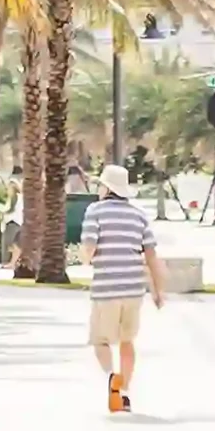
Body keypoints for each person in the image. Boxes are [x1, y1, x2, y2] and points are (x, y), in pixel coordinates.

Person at [79, 163, 165, 413]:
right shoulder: (139, 215)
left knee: (100, 341)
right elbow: (151, 256)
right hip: (133, 289)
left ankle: (111, 378)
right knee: (127, 341)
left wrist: (85, 258)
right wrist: (158, 291)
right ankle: (124, 392)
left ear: (106, 188)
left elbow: (89, 248)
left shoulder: (95, 211)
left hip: (106, 288)